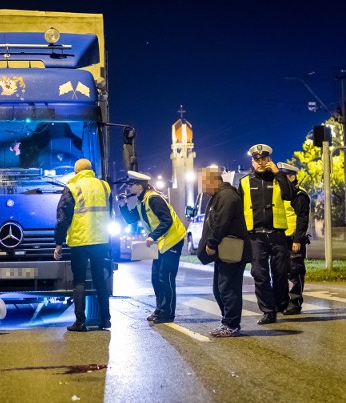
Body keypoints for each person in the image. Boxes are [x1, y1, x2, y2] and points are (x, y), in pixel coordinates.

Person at [119, 171, 187, 325]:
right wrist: (122, 204)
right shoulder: (141, 200)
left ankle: (167, 313)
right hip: (161, 243)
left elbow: (167, 220)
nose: (129, 187)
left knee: (166, 277)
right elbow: (131, 219)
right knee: (156, 278)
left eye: (131, 184)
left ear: (139, 185)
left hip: (172, 241)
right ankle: (160, 309)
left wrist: (153, 236)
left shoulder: (154, 199)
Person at [238, 144, 295, 325]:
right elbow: (239, 209)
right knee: (259, 274)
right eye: (257, 160)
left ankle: (280, 304)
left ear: (269, 159)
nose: (261, 163)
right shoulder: (245, 182)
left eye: (264, 159)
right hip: (255, 236)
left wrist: (278, 173)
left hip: (277, 233)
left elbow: (290, 195)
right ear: (252, 162)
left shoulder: (279, 178)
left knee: (280, 272)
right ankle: (268, 311)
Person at [54, 158, 112, 332]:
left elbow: (63, 218)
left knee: (79, 281)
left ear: (76, 172)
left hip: (80, 241)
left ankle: (80, 322)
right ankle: (105, 320)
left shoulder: (72, 187)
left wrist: (58, 243)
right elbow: (111, 212)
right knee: (100, 280)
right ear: (90, 170)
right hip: (101, 240)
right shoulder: (104, 186)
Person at [197, 167, 252, 337]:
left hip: (231, 250)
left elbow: (222, 222)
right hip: (224, 251)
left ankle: (231, 324)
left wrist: (212, 243)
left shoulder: (227, 195)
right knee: (219, 288)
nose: (202, 187)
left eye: (204, 183)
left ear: (214, 181)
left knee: (228, 288)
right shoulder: (218, 196)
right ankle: (227, 321)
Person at [278, 162, 311, 315]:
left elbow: (302, 219)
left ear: (291, 177)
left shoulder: (299, 195)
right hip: (281, 238)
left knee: (295, 271)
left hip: (293, 239)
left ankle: (295, 303)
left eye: (284, 178)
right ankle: (283, 302)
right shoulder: (281, 194)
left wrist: (298, 239)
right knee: (281, 272)